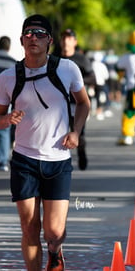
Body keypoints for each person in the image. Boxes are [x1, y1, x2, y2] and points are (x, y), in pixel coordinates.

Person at [0, 14, 90, 270]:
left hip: (58, 160)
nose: (33, 38)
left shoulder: (66, 69)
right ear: (21, 41)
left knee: (54, 232)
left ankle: (55, 251)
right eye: (28, 34)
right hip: (24, 159)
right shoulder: (7, 77)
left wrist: (76, 131)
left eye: (39, 34)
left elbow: (83, 103)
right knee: (29, 227)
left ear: (49, 41)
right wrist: (7, 119)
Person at [55, 28, 96, 170]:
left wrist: (75, 82)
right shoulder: (54, 58)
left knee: (78, 132)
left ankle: (81, 153)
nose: (66, 41)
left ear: (75, 42)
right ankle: (59, 161)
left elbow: (93, 78)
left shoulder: (81, 59)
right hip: (57, 104)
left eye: (69, 38)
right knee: (57, 134)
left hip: (77, 103)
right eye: (63, 38)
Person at [0, 36, 18, 170]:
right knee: (4, 127)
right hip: (6, 98)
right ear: (9, 47)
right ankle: (2, 159)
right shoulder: (13, 62)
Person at [91, 51, 111, 120]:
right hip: (101, 83)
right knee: (100, 97)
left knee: (92, 97)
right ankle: (99, 112)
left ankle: (91, 111)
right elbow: (106, 76)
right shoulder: (102, 65)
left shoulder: (91, 64)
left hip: (92, 84)